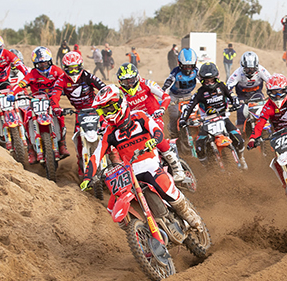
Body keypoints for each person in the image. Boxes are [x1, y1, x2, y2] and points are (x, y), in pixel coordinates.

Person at [80, 85, 205, 233]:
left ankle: (190, 217)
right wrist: (87, 177)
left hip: (149, 162)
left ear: (121, 103)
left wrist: (154, 140)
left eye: (110, 109)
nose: (107, 114)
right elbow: (96, 156)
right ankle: (139, 233)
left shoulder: (139, 116)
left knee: (164, 184)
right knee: (112, 206)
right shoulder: (109, 133)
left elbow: (156, 131)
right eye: (103, 111)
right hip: (128, 171)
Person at [178, 62, 245, 163]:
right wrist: (183, 119)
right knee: (199, 147)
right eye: (206, 81)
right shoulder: (199, 93)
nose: (209, 83)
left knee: (239, 140)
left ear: (216, 78)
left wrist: (235, 103)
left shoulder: (222, 86)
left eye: (211, 80)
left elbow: (232, 96)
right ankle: (206, 167)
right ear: (201, 80)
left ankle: (241, 158)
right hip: (207, 122)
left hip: (223, 117)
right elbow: (189, 106)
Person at [56, 51, 106, 175]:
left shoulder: (87, 76)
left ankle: (116, 159)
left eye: (75, 68)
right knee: (77, 140)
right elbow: (54, 95)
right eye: (70, 69)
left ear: (81, 66)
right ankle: (81, 169)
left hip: (96, 110)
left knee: (108, 132)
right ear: (65, 69)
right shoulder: (61, 80)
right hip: (79, 113)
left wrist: (106, 98)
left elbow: (103, 87)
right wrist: (56, 107)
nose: (73, 72)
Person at [15, 46, 70, 158]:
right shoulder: (32, 73)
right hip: (36, 100)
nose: (43, 66)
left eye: (45, 63)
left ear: (50, 61)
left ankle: (62, 144)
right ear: (36, 64)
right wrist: (12, 93)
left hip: (52, 100)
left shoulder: (56, 71)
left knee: (60, 115)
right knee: (27, 117)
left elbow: (66, 80)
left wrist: (67, 90)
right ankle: (30, 148)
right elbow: (22, 83)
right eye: (40, 64)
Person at [226, 51, 272, 131]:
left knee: (265, 112)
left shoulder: (261, 70)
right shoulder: (238, 73)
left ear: (256, 66)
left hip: (257, 95)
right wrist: (232, 98)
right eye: (247, 69)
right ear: (243, 66)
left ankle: (270, 131)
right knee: (241, 114)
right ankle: (242, 136)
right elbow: (227, 88)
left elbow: (271, 82)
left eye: (252, 68)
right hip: (242, 97)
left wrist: (271, 92)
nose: (250, 71)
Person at [163, 48, 199, 139]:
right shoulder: (175, 72)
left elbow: (204, 80)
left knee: (197, 112)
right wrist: (162, 94)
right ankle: (173, 133)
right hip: (175, 97)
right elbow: (168, 83)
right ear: (179, 63)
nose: (188, 69)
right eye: (185, 66)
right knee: (174, 115)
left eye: (190, 66)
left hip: (188, 95)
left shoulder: (196, 71)